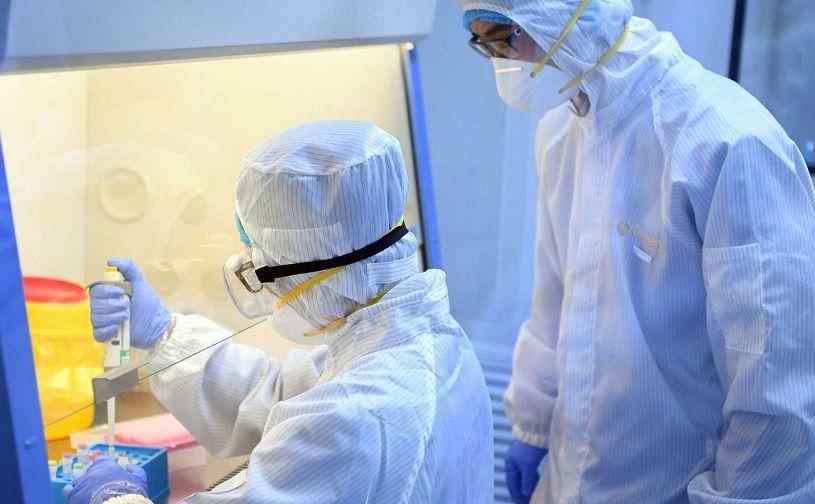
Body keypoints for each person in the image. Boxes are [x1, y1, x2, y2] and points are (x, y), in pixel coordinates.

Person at [461, 0, 815, 503]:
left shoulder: (726, 141)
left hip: (673, 487)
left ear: (567, 13)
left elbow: (776, 375)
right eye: (483, 46)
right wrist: (532, 423)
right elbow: (552, 297)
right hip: (566, 479)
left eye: (504, 39)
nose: (502, 63)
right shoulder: (562, 131)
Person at [71, 120, 494, 503]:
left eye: (262, 269)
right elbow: (276, 393)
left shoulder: (360, 414)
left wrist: (114, 498)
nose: (270, 290)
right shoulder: (413, 339)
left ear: (319, 271)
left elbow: (323, 422)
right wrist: (164, 333)